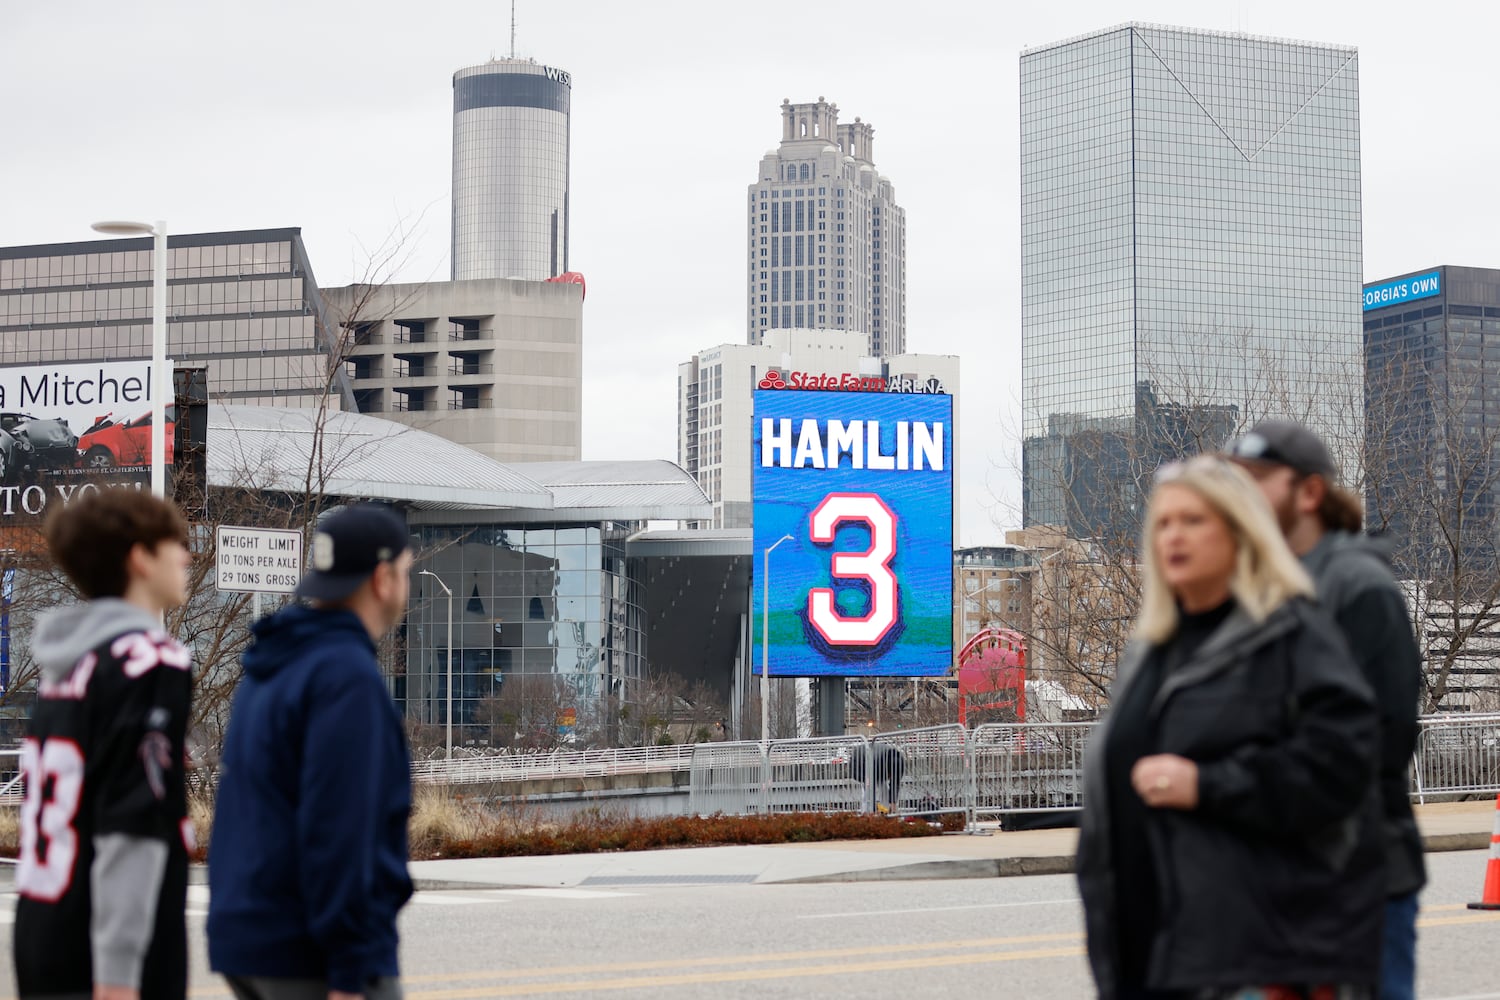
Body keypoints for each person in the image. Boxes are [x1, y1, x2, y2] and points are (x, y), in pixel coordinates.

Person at [1076, 455, 1385, 1000]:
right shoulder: (1149, 652)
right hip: (1147, 955)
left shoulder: (1292, 637)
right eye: (1164, 523)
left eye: (1194, 521)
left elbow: (1342, 766)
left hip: (1251, 957)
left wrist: (1208, 785)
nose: (1174, 535)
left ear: (1242, 532)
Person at [1229, 420, 1426, 1000]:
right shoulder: (1261, 589)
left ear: (1309, 494)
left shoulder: (1359, 587)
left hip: (1355, 879)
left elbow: (1381, 742)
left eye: (1257, 481)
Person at [208, 504, 415, 1000]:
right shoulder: (346, 677)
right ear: (382, 579)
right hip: (312, 953)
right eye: (407, 573)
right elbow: (340, 826)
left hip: (249, 936)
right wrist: (348, 968)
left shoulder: (272, 665)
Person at [14, 489, 195, 1000]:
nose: (186, 555)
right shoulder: (149, 662)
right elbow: (133, 825)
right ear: (140, 558)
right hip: (107, 955)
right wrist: (118, 977)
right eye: (173, 544)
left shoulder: (67, 665)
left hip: (42, 930)